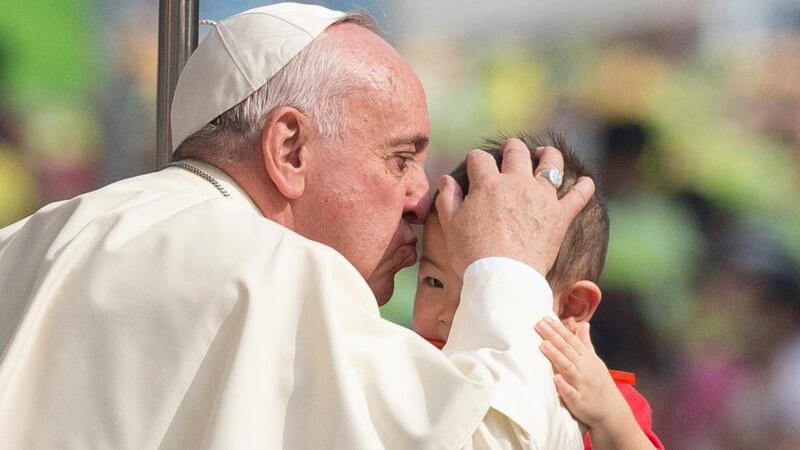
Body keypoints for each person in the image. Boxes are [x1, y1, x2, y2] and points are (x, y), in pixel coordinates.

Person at [0, 4, 596, 449]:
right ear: (289, 149)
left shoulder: (29, 239)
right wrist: (510, 266)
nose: (421, 198)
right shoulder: (280, 270)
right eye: (400, 158)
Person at [413, 133, 664, 450]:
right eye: (435, 282)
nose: (449, 313)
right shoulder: (407, 358)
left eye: (483, 288)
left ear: (572, 307)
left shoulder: (597, 397)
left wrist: (607, 418)